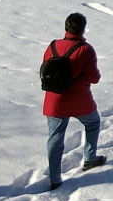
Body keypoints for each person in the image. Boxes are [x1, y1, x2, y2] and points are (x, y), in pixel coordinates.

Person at [43, 12, 105, 191]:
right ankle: (90, 159)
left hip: (54, 100)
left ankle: (55, 178)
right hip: (79, 100)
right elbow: (94, 78)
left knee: (55, 138)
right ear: (83, 29)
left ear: (66, 27)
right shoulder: (85, 49)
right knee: (93, 123)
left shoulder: (52, 46)